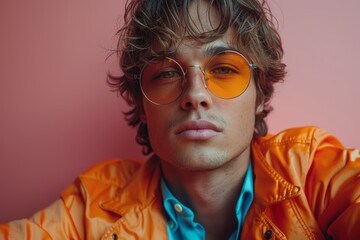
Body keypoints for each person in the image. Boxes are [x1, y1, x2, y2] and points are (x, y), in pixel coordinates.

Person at [1, 0, 359, 239]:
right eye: (167, 74)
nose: (195, 94)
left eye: (223, 69)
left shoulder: (312, 170)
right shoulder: (93, 206)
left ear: (260, 94)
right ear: (142, 105)